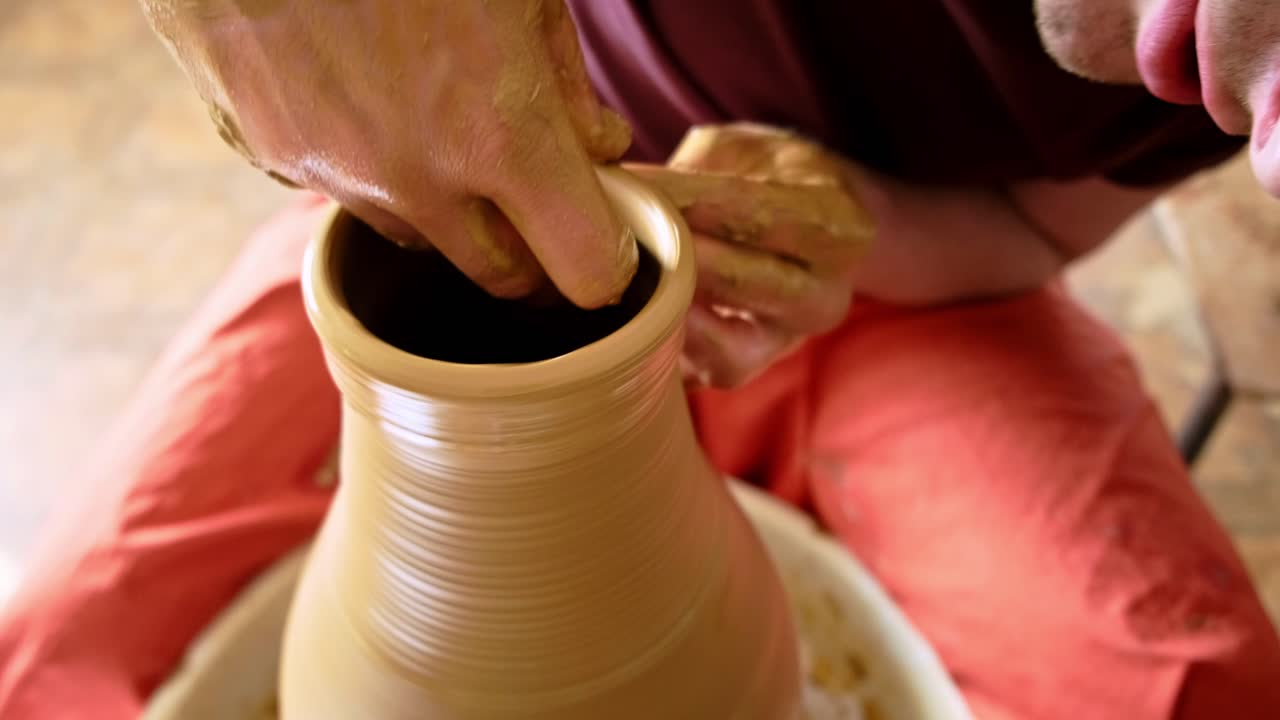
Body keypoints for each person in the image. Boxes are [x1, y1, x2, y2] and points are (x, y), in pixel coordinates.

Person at [3, 0, 1279, 717]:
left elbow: (1020, 229)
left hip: (858, 281)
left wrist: (843, 221)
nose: (1262, 140)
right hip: (448, 209)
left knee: (1178, 691)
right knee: (47, 664)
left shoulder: (1208, 67)